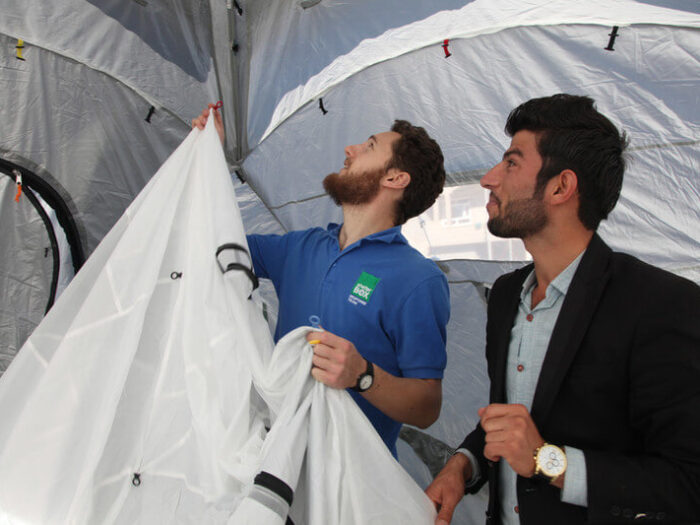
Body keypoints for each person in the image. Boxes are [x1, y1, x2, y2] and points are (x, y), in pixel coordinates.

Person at [425, 94, 700, 524]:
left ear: (560, 187)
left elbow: (686, 483)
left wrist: (547, 462)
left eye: (512, 162)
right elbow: (511, 421)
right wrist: (463, 465)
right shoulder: (504, 295)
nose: (489, 178)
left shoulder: (661, 305)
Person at [192, 105, 450, 457]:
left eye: (369, 146)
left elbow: (427, 408)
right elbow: (214, 245)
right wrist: (208, 159)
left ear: (395, 178)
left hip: (352, 488)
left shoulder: (418, 280)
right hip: (274, 463)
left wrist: (363, 375)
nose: (350, 149)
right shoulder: (300, 247)